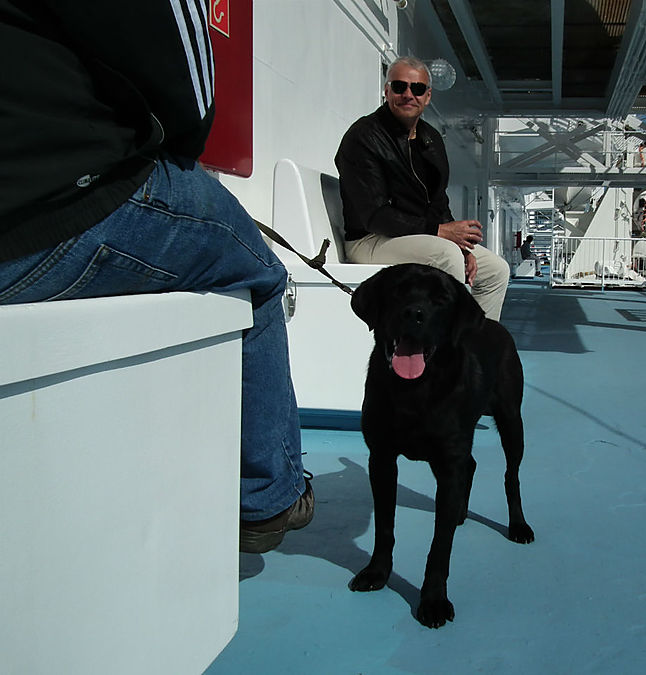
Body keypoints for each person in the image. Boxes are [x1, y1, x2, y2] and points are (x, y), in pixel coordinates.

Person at [0, 0, 312, 554]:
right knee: (264, 276)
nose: (409, 94)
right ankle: (269, 496)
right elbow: (185, 85)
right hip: (50, 210)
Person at [335, 56, 509, 321]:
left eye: (417, 89)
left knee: (496, 270)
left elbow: (438, 202)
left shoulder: (430, 138)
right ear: (387, 91)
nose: (408, 95)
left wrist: (462, 245)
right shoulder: (364, 136)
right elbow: (375, 216)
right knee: (446, 256)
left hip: (415, 235)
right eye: (399, 87)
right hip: (369, 239)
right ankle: (443, 342)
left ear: (427, 97)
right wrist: (441, 233)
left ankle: (477, 341)